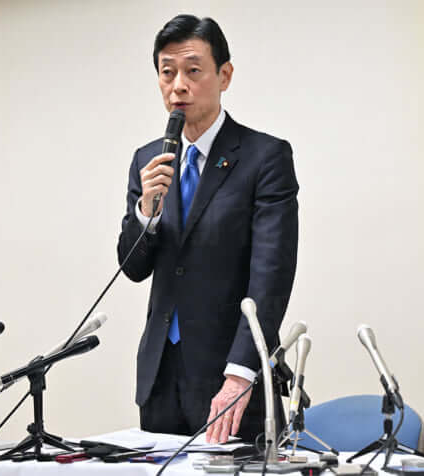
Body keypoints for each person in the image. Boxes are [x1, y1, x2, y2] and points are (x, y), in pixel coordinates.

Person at [117, 14, 298, 444]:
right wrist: (146, 210)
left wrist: (240, 375)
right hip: (161, 377)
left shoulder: (264, 157)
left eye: (193, 70)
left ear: (225, 75)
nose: (178, 85)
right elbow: (133, 267)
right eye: (167, 73)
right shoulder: (148, 160)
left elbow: (271, 276)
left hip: (231, 380)